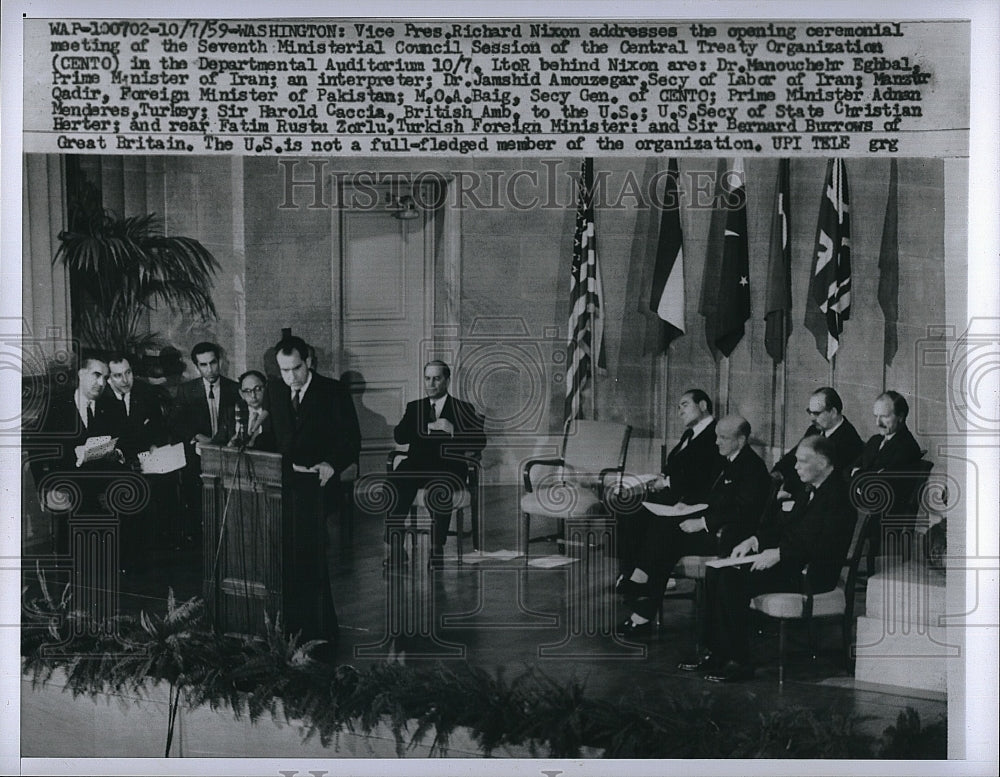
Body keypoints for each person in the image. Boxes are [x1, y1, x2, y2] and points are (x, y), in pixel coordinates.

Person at [681, 435, 855, 682]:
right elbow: (787, 528)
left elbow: (825, 547)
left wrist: (781, 553)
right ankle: (716, 653)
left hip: (813, 573)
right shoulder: (809, 491)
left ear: (824, 463)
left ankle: (739, 661)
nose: (795, 467)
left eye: (803, 461)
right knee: (716, 570)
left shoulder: (839, 497)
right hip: (792, 564)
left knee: (732, 579)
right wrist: (755, 540)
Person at [615, 414, 772, 638]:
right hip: (716, 526)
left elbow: (743, 511)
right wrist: (686, 506)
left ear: (741, 440)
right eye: (717, 436)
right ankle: (640, 608)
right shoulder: (727, 460)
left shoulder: (751, 467)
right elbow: (714, 497)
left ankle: (639, 590)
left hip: (730, 537)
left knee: (666, 536)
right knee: (663, 532)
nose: (717, 442)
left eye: (724, 438)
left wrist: (702, 522)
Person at [265, 335, 361, 652]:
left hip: (317, 489)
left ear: (309, 362)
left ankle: (320, 631)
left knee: (310, 558)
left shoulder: (333, 392)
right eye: (284, 370)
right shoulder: (276, 391)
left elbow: (351, 441)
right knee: (285, 559)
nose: (290, 377)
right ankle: (289, 629)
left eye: (296, 369)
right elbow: (271, 437)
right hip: (282, 488)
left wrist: (330, 465)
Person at [387, 360, 486, 567]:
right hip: (417, 466)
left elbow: (479, 442)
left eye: (437, 378)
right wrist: (424, 426)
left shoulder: (462, 408)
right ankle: (396, 547)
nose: (431, 384)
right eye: (427, 378)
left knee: (438, 488)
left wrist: (453, 430)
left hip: (448, 467)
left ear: (447, 381)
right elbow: (399, 436)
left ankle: (436, 548)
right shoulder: (415, 407)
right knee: (396, 480)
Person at [617, 388, 721, 584]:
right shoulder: (690, 434)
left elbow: (701, 476)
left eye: (685, 405)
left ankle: (641, 575)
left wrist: (665, 481)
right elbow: (675, 464)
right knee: (625, 506)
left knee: (640, 515)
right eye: (678, 407)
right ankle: (630, 572)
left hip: (690, 500)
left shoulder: (715, 434)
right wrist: (661, 476)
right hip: (670, 494)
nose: (680, 411)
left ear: (703, 406)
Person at [27, 354, 125, 553]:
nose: (101, 382)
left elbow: (124, 442)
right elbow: (37, 450)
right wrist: (44, 489)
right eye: (96, 375)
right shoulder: (56, 405)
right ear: (81, 374)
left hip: (103, 478)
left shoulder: (112, 405)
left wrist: (117, 453)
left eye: (105, 378)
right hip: (68, 481)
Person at [98, 352, 170, 569]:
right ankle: (126, 559)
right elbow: (103, 440)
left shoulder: (144, 391)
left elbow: (157, 426)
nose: (125, 380)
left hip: (144, 458)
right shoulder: (101, 399)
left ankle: (151, 553)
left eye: (128, 373)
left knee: (166, 485)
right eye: (118, 376)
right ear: (109, 378)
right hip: (113, 462)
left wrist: (155, 446)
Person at [169, 342, 239, 544]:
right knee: (194, 490)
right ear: (196, 367)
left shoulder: (234, 389)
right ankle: (200, 536)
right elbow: (175, 423)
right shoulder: (186, 390)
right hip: (198, 454)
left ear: (220, 361)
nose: (210, 370)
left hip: (227, 451)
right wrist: (197, 436)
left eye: (213, 363)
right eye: (203, 365)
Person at [770, 387, 863, 500]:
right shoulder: (814, 430)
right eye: (810, 412)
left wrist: (790, 492)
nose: (811, 418)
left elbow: (824, 479)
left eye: (816, 413)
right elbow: (793, 456)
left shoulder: (849, 440)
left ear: (833, 412)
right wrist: (778, 472)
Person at [226, 369, 275, 450]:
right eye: (247, 391)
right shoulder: (232, 413)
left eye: (258, 389)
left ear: (266, 388)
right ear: (241, 394)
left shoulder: (275, 414)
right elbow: (218, 443)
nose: (253, 395)